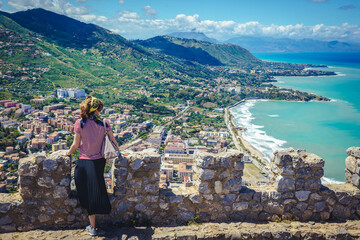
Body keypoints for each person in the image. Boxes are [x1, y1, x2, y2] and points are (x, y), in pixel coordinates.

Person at [64, 96, 119, 236]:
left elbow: (75, 145)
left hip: (84, 162)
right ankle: (96, 222)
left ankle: (93, 227)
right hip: (99, 161)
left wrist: (67, 154)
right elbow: (113, 141)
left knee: (88, 194)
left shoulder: (79, 123)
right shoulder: (105, 123)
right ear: (97, 109)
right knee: (96, 189)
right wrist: (120, 151)